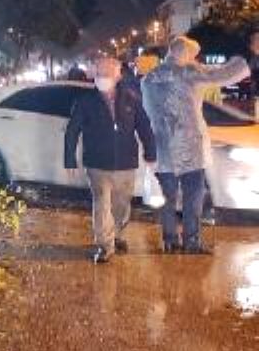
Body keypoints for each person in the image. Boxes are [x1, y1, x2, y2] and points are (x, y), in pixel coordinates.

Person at [140, 36, 250, 254]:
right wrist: (248, 57)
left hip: (162, 148)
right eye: (192, 55)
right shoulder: (187, 72)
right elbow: (223, 75)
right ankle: (191, 242)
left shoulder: (148, 79)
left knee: (168, 199)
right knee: (192, 198)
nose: (195, 60)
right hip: (189, 149)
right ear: (184, 53)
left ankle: (170, 241)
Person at [64, 56, 156, 263]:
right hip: (97, 164)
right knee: (102, 205)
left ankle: (117, 234)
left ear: (118, 76)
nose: (102, 77)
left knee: (121, 206)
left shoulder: (131, 98)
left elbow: (144, 127)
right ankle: (104, 245)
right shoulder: (85, 101)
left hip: (126, 163)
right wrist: (69, 159)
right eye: (99, 73)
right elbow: (72, 131)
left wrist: (151, 153)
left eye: (107, 74)